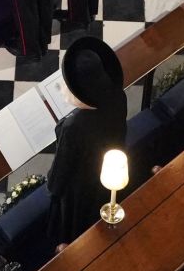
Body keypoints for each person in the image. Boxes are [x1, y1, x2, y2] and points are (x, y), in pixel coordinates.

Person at [47, 36, 127, 249]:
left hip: (80, 194)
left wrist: (51, 185)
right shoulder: (118, 97)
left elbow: (57, 180)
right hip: (107, 175)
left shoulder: (73, 127)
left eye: (66, 84)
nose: (62, 88)